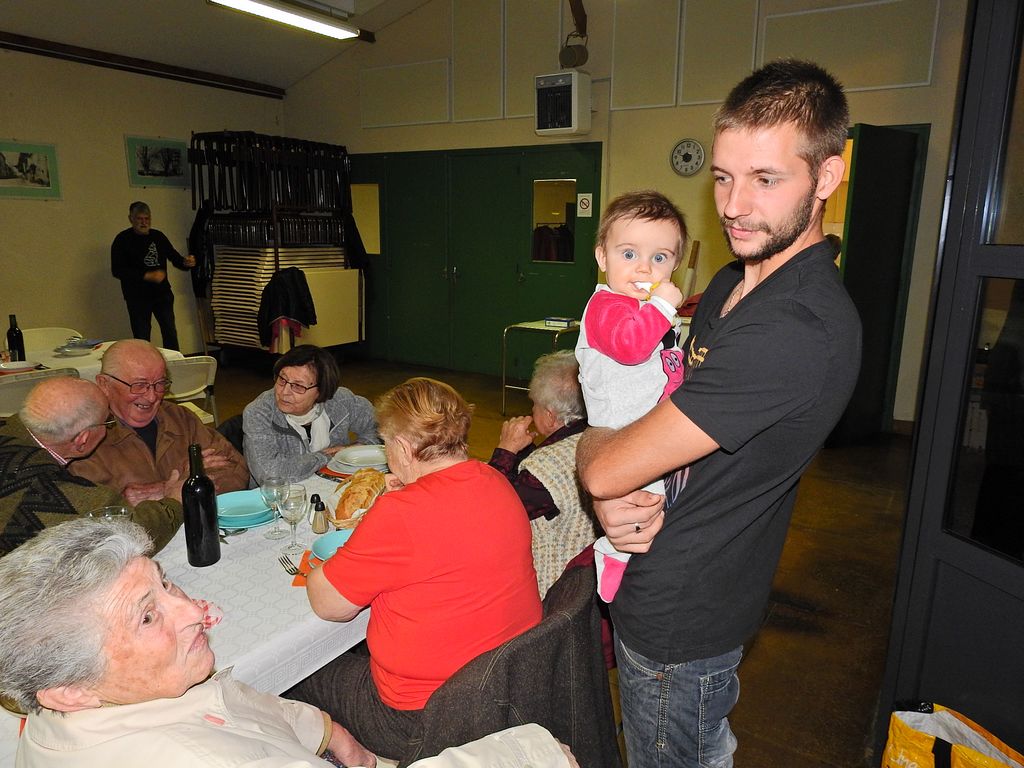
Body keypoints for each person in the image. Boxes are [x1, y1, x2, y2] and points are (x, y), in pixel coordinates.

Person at [576, 59, 862, 768]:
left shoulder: (796, 328)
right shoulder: (736, 281)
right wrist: (615, 485)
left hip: (686, 613)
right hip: (657, 578)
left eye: (765, 179)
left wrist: (603, 470)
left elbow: (607, 464)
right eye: (724, 177)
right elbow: (650, 413)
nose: (734, 205)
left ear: (826, 176)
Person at [289, 378, 542, 759]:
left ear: (405, 449)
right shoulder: (494, 479)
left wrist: (380, 518)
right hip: (501, 690)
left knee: (293, 672)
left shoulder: (401, 514)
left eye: (386, 444)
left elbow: (329, 605)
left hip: (419, 718)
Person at [0, 517, 377, 767]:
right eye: (147, 617)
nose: (194, 611)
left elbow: (232, 702)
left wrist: (328, 731)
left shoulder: (108, 697)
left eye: (164, 582)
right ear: (71, 692)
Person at [574, 190, 688, 603]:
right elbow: (631, 347)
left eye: (660, 257)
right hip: (620, 430)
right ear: (602, 257)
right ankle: (612, 553)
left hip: (646, 424)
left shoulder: (644, 308)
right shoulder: (605, 306)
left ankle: (624, 554)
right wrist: (663, 307)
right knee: (637, 503)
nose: (644, 267)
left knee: (653, 501)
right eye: (628, 254)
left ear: (674, 264)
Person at [0, 377, 182, 555]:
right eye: (107, 422)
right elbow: (131, 535)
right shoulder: (54, 490)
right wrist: (175, 501)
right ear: (82, 440)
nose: (110, 427)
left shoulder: (8, 429)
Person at [68, 339, 249, 497]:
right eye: (139, 385)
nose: (152, 397)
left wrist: (177, 488)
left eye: (160, 384)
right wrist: (190, 486)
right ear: (104, 384)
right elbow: (91, 508)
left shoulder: (181, 419)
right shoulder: (87, 439)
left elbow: (237, 471)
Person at [488, 350, 598, 596]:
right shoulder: (597, 437)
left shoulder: (545, 469)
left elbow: (490, 513)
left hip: (553, 587)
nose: (531, 410)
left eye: (534, 404)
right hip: (589, 575)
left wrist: (505, 450)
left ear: (550, 416)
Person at [244, 344, 379, 484]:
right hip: (284, 495)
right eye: (282, 380)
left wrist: (355, 448)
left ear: (321, 390)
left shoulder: (341, 401)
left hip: (336, 486)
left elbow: (382, 428)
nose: (284, 392)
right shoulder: (259, 413)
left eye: (298, 386)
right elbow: (269, 474)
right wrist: (328, 456)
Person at [111, 201, 196, 351]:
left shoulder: (158, 237)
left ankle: (174, 362)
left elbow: (174, 257)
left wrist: (186, 262)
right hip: (137, 297)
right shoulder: (122, 240)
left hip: (162, 294)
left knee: (170, 332)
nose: (144, 222)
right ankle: (145, 364)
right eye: (139, 219)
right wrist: (146, 275)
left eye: (147, 218)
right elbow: (118, 270)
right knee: (142, 336)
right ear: (131, 219)